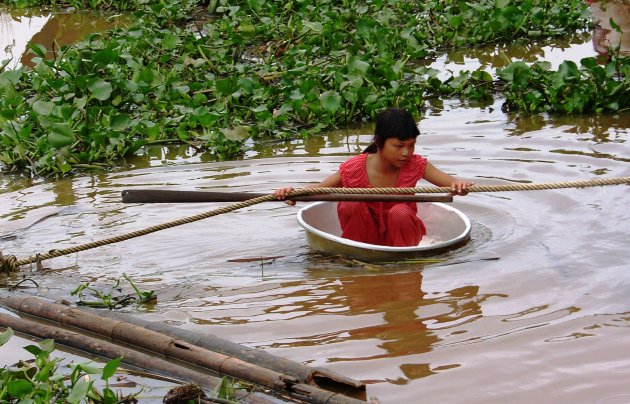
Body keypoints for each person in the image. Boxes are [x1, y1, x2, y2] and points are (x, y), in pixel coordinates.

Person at [274, 108, 473, 247]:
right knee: (351, 203)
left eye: (411, 145)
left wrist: (459, 186)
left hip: (402, 235)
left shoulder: (415, 165)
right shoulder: (355, 167)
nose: (406, 153)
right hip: (362, 236)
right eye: (398, 146)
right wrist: (294, 194)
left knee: (399, 212)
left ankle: (402, 259)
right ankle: (357, 252)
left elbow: (450, 184)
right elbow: (321, 189)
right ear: (379, 142)